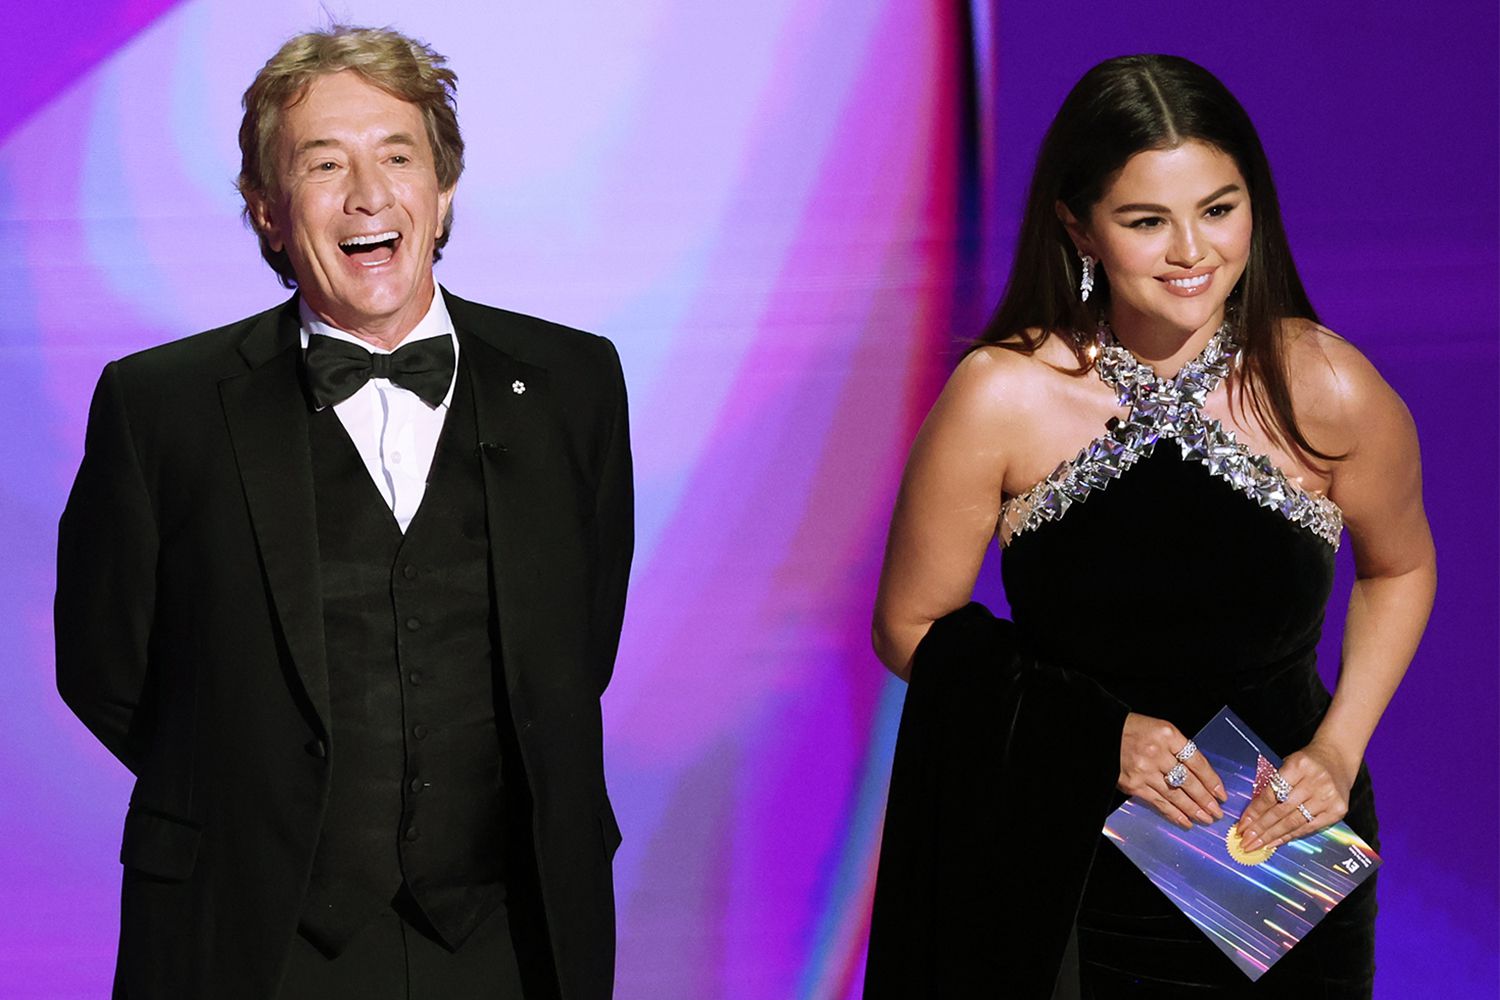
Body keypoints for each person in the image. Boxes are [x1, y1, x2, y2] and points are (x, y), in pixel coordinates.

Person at [54, 25, 632, 1000]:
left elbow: (581, 644)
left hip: (509, 937)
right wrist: (255, 781)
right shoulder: (161, 407)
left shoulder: (573, 381)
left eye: (398, 156)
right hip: (252, 937)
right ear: (268, 213)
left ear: (443, 189)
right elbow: (108, 669)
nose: (369, 194)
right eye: (325, 164)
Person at [865, 55, 1434, 997]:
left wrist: (1340, 747)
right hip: (1067, 867)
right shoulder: (1003, 396)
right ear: (1077, 226)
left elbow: (1402, 568)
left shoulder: (1328, 386)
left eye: (1219, 208)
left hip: (1280, 862)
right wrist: (1098, 735)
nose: (1191, 252)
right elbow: (910, 624)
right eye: (1145, 221)